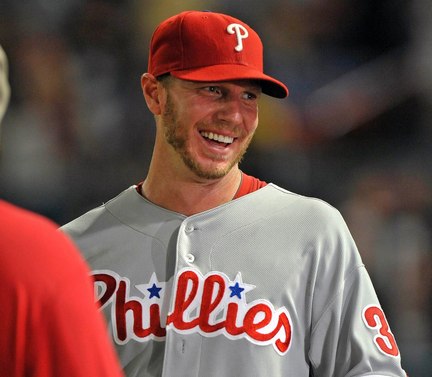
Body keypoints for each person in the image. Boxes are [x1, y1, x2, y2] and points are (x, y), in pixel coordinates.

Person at [61, 10, 407, 377]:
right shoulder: (74, 251)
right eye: (213, 90)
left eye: (248, 96)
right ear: (154, 94)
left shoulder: (312, 230)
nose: (234, 116)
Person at [0, 45, 124, 377]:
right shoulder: (20, 126)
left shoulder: (80, 116)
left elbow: (92, 160)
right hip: (28, 214)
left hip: (67, 208)